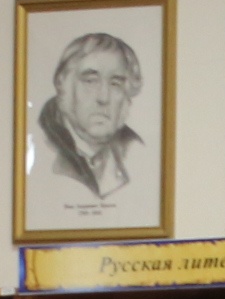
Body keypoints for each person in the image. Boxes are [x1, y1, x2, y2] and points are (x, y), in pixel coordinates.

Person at [35, 31, 145, 201]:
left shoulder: (137, 151)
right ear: (62, 84)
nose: (103, 98)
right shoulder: (40, 148)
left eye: (115, 83)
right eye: (90, 81)